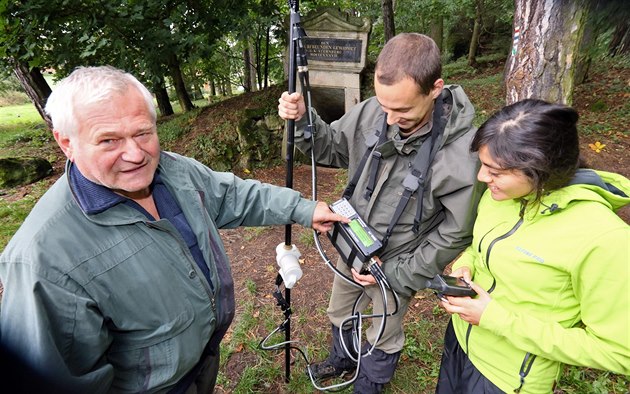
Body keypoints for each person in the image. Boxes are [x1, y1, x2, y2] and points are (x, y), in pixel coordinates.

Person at [0, 65, 348, 393]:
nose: (136, 154)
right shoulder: (42, 262)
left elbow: (235, 196)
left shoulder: (173, 171)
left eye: (143, 133)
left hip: (203, 364)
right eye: (109, 141)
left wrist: (304, 208)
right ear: (66, 144)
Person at [278, 33, 484, 393]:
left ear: (435, 88)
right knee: (340, 309)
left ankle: (371, 382)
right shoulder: (378, 110)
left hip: (399, 262)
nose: (389, 117)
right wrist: (302, 120)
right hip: (353, 241)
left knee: (383, 331)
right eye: (384, 106)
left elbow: (456, 232)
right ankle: (343, 358)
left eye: (402, 110)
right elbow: (330, 148)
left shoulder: (462, 154)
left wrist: (399, 274)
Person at [436, 99, 630, 393]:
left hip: (508, 379)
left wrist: (497, 320)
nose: (482, 177)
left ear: (540, 170)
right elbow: (480, 246)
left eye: (495, 171)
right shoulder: (499, 197)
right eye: (483, 165)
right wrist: (467, 263)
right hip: (460, 342)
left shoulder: (604, 240)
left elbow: (618, 351)